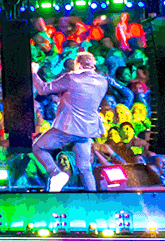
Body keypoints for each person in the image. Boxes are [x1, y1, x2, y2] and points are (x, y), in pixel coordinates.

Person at [31, 51, 109, 192]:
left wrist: (33, 73)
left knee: (38, 147)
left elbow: (43, 90)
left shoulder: (71, 78)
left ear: (77, 64)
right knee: (85, 168)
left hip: (70, 126)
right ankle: (94, 198)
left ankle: (56, 173)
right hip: (88, 130)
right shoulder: (103, 81)